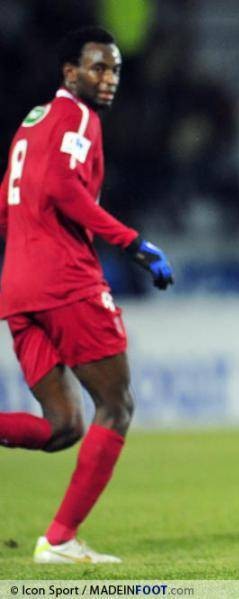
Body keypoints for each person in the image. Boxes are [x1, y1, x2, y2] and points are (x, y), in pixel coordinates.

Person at [0, 26, 174, 564]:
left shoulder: (32, 123)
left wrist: (23, 261)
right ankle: (58, 540)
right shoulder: (78, 118)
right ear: (69, 73)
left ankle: (58, 540)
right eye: (98, 68)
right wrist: (133, 243)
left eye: (115, 69)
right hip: (65, 282)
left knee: (63, 426)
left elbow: (10, 199)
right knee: (116, 405)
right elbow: (60, 189)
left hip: (17, 286)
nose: (109, 79)